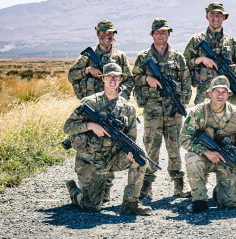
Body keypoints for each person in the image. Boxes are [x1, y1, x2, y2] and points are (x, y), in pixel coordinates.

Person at [64, 63, 151, 215]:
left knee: (140, 159)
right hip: (90, 160)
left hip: (112, 158)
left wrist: (129, 152)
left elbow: (130, 137)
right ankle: (73, 190)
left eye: (116, 77)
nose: (112, 80)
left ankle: (131, 204)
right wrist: (90, 125)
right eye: (109, 76)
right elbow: (68, 127)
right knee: (92, 206)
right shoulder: (90, 103)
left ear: (120, 80)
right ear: (103, 78)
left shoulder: (128, 108)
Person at [67, 19, 134, 202]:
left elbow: (129, 79)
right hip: (92, 109)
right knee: (88, 144)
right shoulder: (87, 57)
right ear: (98, 34)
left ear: (114, 35)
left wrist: (122, 98)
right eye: (103, 33)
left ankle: (105, 190)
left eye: (110, 33)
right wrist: (87, 70)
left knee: (112, 145)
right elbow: (71, 75)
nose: (107, 36)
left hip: (112, 108)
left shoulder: (119, 56)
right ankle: (87, 184)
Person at [132, 18, 192, 199]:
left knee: (175, 147)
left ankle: (179, 185)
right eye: (157, 32)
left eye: (164, 32)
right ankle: (147, 185)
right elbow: (133, 78)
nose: (161, 35)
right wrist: (146, 79)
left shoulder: (178, 57)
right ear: (152, 34)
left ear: (168, 34)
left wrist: (181, 104)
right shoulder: (143, 57)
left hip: (173, 110)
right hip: (152, 110)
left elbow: (187, 82)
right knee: (151, 146)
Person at [180, 76, 236, 213]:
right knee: (191, 157)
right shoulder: (198, 112)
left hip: (226, 160)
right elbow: (184, 138)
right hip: (205, 158)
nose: (220, 95)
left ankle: (219, 191)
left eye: (224, 92)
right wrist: (206, 152)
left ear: (228, 95)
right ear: (209, 93)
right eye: (217, 91)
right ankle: (199, 200)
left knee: (230, 203)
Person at [183, 3, 236, 105]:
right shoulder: (196, 40)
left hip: (228, 97)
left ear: (224, 18)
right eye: (212, 14)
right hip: (204, 96)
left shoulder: (231, 41)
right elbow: (184, 64)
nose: (215, 18)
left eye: (219, 15)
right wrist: (200, 59)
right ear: (207, 17)